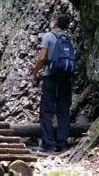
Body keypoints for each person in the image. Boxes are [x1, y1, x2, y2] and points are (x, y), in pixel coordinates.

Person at [31, 14, 75, 153]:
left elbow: (42, 58)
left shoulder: (48, 36)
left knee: (46, 111)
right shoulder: (69, 39)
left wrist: (35, 74)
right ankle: (62, 144)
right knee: (63, 111)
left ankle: (48, 144)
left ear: (56, 22)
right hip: (66, 78)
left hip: (50, 77)